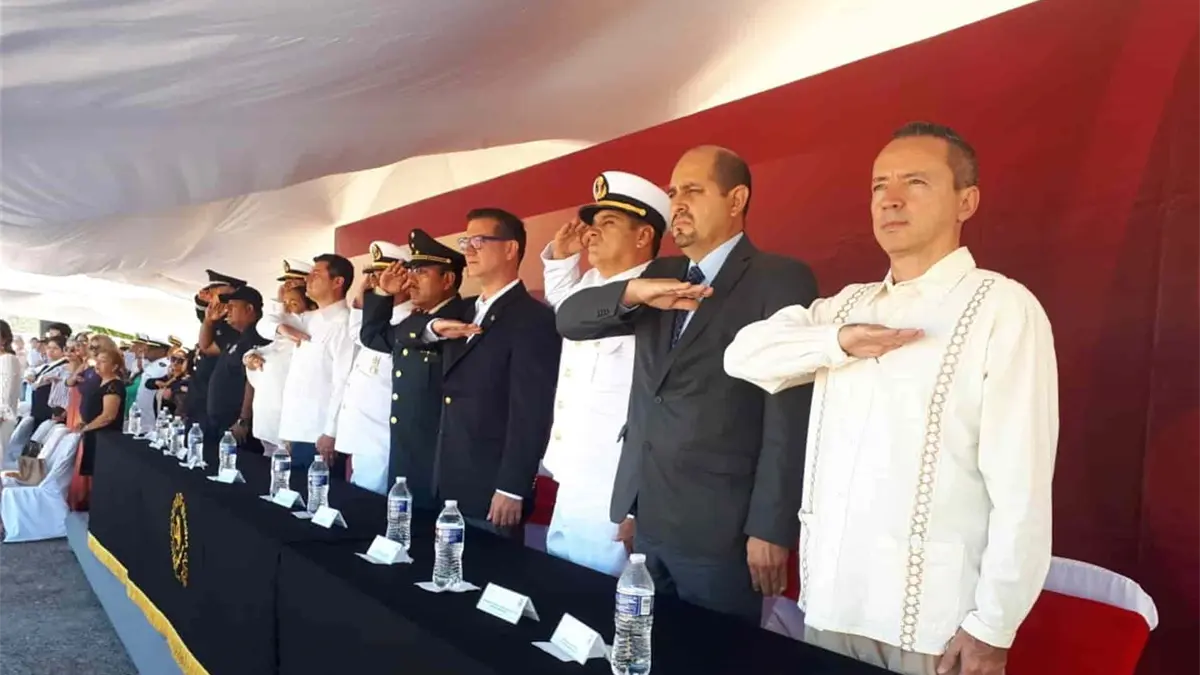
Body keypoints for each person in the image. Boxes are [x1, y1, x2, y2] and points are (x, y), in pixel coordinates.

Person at [724, 122, 1058, 675]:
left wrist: (993, 626)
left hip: (931, 622)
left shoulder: (1002, 307)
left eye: (916, 182)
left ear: (966, 201)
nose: (891, 199)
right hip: (830, 606)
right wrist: (838, 342)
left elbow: (1021, 488)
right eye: (879, 185)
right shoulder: (845, 306)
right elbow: (743, 355)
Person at [556, 146, 818, 623]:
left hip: (721, 529)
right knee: (647, 646)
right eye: (675, 192)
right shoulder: (659, 275)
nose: (677, 204)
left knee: (716, 654)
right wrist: (633, 291)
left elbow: (787, 414)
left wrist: (770, 527)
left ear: (736, 199)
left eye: (693, 191)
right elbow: (570, 318)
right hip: (649, 520)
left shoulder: (779, 278)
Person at [391, 209, 561, 539]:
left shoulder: (532, 319)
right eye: (466, 241)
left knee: (488, 569)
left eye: (479, 241)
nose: (469, 249)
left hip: (491, 488)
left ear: (510, 249)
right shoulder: (464, 310)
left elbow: (532, 412)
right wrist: (434, 327)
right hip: (445, 477)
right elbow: (402, 331)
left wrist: (512, 487)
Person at [539, 171, 666, 576]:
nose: (592, 233)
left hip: (615, 480)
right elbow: (563, 307)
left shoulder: (657, 294)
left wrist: (639, 504)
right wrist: (562, 259)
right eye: (591, 225)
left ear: (643, 236)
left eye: (608, 223)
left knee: (604, 591)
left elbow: (661, 407)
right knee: (560, 580)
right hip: (572, 470)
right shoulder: (589, 287)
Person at [364, 229, 468, 509]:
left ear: (448, 279)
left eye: (421, 272)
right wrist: (383, 293)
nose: (411, 280)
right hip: (406, 452)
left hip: (439, 458)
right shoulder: (417, 320)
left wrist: (429, 326)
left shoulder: (463, 318)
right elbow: (373, 337)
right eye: (411, 271)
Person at [258, 254, 356, 472]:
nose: (308, 279)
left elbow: (343, 383)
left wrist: (331, 432)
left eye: (316, 274)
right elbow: (264, 325)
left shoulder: (344, 324)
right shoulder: (309, 319)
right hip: (294, 430)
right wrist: (281, 323)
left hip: (319, 436)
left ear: (337, 282)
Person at [335, 241, 414, 495]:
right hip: (364, 435)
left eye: (381, 276)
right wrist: (362, 302)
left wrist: (370, 304)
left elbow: (365, 336)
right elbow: (359, 335)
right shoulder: (378, 322)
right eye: (371, 276)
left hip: (383, 438)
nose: (374, 283)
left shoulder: (407, 321)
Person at [244, 260, 316, 453]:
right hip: (270, 412)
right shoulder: (283, 320)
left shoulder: (312, 320)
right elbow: (266, 330)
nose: (289, 306)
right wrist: (250, 357)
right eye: (286, 301)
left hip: (294, 413)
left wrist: (281, 317)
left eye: (294, 301)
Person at [200, 286, 270, 454]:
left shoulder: (258, 336)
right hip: (221, 422)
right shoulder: (237, 336)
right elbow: (206, 347)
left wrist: (243, 420)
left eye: (232, 307)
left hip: (237, 426)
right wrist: (208, 321)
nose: (227, 311)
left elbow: (253, 380)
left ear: (249, 309)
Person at [188, 270, 248, 428]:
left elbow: (207, 346)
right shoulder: (219, 321)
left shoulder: (234, 327)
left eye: (216, 293)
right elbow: (204, 317)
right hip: (200, 399)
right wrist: (201, 301)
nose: (213, 297)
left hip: (218, 404)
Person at [73, 343, 128, 476]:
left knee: (99, 473)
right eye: (97, 361)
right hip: (93, 433)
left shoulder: (114, 385)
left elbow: (108, 416)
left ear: (114, 366)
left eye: (103, 362)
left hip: (104, 437)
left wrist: (87, 427)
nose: (97, 365)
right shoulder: (100, 381)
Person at [29, 335, 70, 426]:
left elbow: (40, 383)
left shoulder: (64, 366)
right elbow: (32, 371)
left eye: (55, 348)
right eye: (49, 348)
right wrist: (30, 375)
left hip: (49, 409)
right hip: (40, 408)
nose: (50, 351)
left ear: (64, 350)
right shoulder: (48, 365)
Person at [134, 337, 172, 432]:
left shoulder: (165, 366)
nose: (146, 349)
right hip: (143, 420)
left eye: (151, 348)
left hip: (152, 422)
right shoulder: (152, 364)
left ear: (162, 351)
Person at [0, 321, 20, 450]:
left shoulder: (7, 359)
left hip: (3, 417)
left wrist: (1, 413)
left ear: (4, 339)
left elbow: (5, 390)